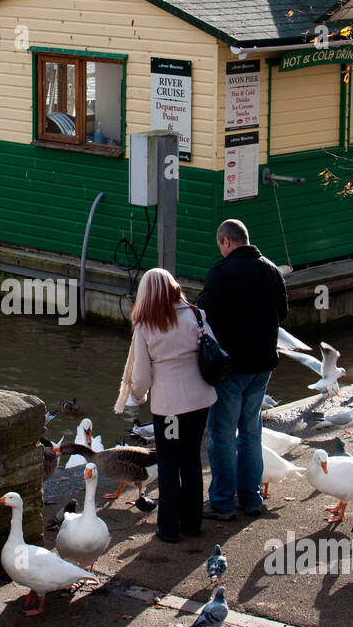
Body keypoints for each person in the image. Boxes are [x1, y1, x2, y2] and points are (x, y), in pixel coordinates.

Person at [116, 268, 217, 543]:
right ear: (174, 287)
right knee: (191, 460)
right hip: (199, 402)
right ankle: (193, 523)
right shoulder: (196, 315)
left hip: (170, 410)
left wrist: (138, 397)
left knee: (170, 464)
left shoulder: (146, 326)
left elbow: (141, 377)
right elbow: (212, 347)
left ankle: (169, 528)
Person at [197, 219, 289, 519]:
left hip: (231, 368)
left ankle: (223, 503)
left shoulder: (221, 273)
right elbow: (283, 313)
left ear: (225, 241)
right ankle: (251, 498)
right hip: (263, 366)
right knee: (251, 432)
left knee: (221, 434)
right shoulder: (272, 270)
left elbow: (202, 316)